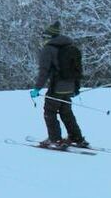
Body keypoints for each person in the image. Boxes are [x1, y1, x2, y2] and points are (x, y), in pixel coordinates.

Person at [29, 21, 89, 149]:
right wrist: (76, 87)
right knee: (66, 112)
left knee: (49, 111)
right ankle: (76, 138)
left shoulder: (48, 49)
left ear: (49, 37)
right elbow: (77, 70)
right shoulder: (71, 48)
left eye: (44, 37)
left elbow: (44, 71)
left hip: (57, 86)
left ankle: (55, 139)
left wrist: (37, 88)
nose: (42, 40)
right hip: (70, 86)